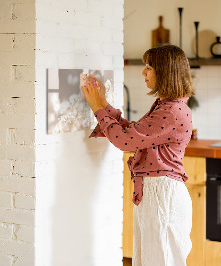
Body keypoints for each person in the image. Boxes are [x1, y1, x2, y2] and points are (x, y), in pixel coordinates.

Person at [82, 44, 194, 266]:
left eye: (149, 67)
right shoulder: (167, 106)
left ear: (165, 72)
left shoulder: (171, 111)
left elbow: (125, 141)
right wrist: (103, 104)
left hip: (162, 195)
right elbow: (133, 133)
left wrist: (97, 108)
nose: (143, 72)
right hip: (157, 193)